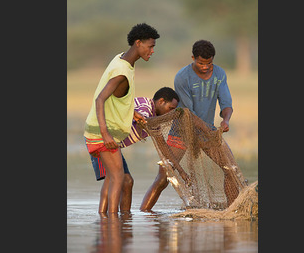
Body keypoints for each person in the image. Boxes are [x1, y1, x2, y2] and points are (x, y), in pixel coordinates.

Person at [140, 39, 234, 212]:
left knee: (230, 169)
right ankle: (144, 213)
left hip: (207, 132)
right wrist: (207, 130)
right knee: (164, 177)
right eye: (201, 63)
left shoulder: (220, 74)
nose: (205, 67)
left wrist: (225, 120)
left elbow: (226, 102)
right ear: (193, 58)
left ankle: (232, 210)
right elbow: (189, 114)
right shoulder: (182, 77)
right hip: (181, 131)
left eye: (209, 63)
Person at [83, 23, 160, 213]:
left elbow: (117, 99)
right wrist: (105, 134)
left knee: (111, 178)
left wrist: (133, 113)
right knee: (119, 177)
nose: (152, 51)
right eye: (150, 46)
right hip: (102, 134)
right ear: (138, 43)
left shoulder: (121, 59)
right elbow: (100, 99)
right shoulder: (122, 72)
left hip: (97, 132)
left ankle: (103, 217)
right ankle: (113, 222)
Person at [90, 87, 180, 213]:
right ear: (161, 101)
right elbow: (138, 117)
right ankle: (105, 218)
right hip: (103, 140)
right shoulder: (145, 107)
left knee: (127, 182)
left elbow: (163, 146)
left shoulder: (156, 120)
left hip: (114, 145)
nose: (171, 113)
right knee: (112, 179)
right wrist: (142, 122)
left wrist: (181, 171)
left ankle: (125, 219)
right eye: (170, 108)